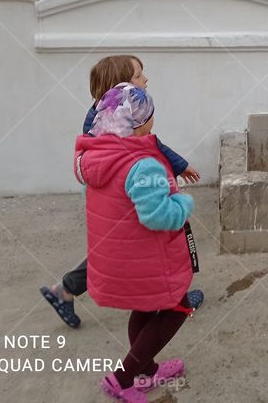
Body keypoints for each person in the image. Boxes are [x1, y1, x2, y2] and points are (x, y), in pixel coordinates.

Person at [40, 55, 202, 328]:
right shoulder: (116, 121)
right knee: (142, 250)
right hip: (124, 200)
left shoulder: (112, 116)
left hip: (118, 200)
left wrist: (179, 165)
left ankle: (65, 290)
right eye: (139, 75)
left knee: (120, 251)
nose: (145, 80)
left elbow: (153, 144)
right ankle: (176, 302)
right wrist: (176, 198)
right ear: (121, 85)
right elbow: (139, 153)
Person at [75, 83, 199, 402]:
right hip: (148, 258)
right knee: (178, 306)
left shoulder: (97, 155)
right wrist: (183, 204)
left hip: (121, 259)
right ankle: (123, 378)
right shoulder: (143, 163)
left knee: (144, 309)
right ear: (141, 122)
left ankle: (146, 371)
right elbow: (157, 215)